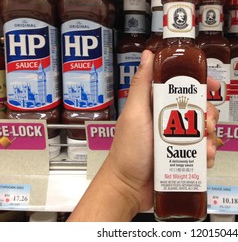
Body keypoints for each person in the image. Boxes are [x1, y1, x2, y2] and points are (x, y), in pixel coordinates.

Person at [67, 50, 221, 222]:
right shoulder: (165, 57)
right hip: (158, 177)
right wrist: (124, 181)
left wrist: (123, 185)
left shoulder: (195, 56)